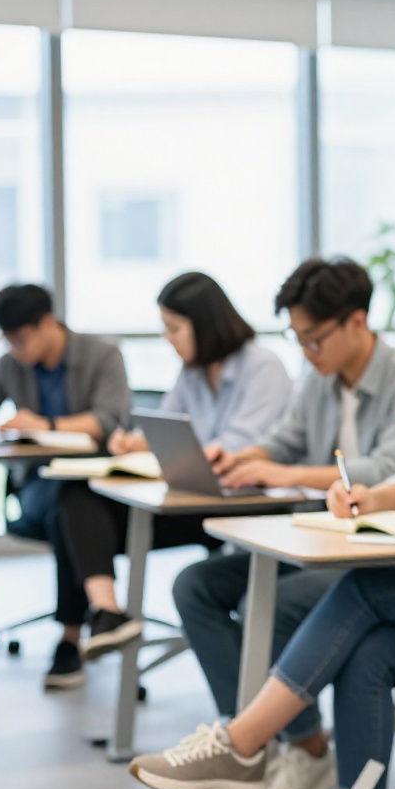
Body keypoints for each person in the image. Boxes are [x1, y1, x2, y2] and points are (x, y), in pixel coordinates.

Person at [162, 257, 395, 789]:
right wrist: (244, 456)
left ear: (357, 323)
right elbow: (285, 442)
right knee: (196, 586)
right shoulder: (319, 383)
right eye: (298, 340)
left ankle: (304, 748)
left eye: (314, 339)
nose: (306, 353)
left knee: (272, 605)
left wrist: (285, 474)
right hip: (319, 544)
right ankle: (265, 748)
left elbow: (392, 470)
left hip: (390, 559)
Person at [60, 272, 293, 661]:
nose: (168, 338)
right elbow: (167, 426)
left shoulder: (262, 366)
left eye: (174, 328)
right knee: (75, 496)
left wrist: (183, 450)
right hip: (193, 494)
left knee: (84, 522)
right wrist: (135, 440)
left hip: (246, 499)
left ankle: (87, 630)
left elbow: (240, 449)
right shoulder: (194, 371)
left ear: (204, 324)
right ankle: (107, 611)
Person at [0, 283, 131, 690]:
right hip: (37, 488)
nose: (15, 349)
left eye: (20, 339)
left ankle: (72, 637)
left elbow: (109, 419)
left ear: (47, 323)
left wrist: (47, 426)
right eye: (7, 341)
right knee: (65, 499)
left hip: (96, 487)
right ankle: (96, 617)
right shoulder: (10, 365)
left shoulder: (102, 355)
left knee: (72, 497)